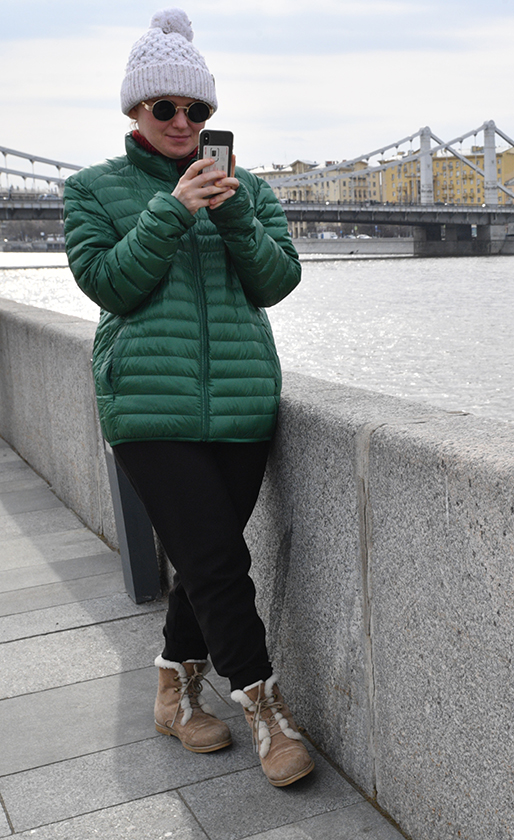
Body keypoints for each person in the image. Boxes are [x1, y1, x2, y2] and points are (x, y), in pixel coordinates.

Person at [63, 8, 311, 787]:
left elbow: (276, 282)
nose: (182, 121)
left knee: (205, 564)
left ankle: (173, 689)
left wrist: (231, 208)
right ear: (135, 110)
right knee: (218, 558)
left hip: (240, 407)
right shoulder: (92, 191)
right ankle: (265, 710)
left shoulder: (251, 190)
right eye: (164, 107)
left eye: (197, 110)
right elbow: (110, 286)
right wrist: (172, 211)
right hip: (147, 409)